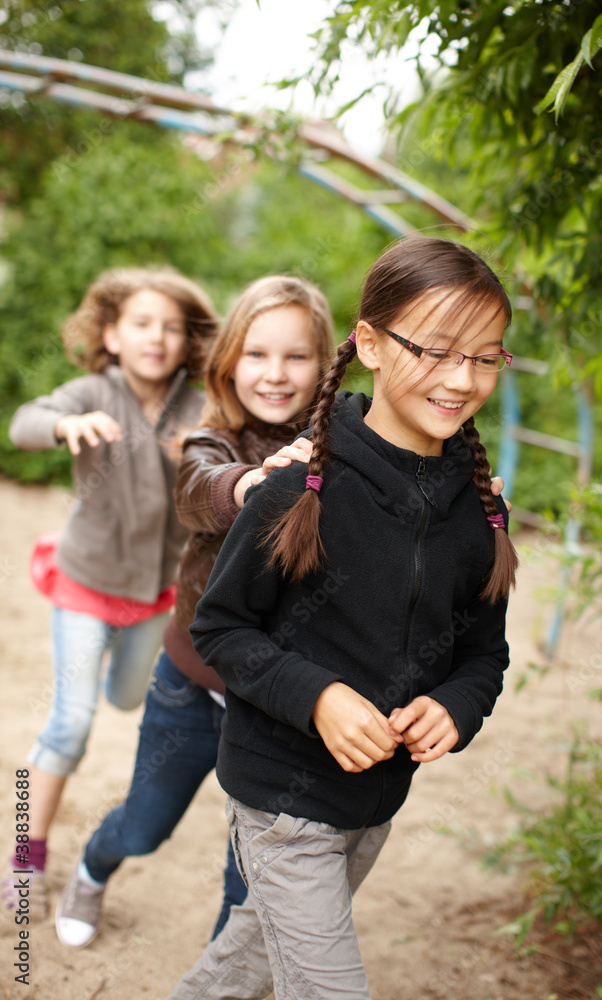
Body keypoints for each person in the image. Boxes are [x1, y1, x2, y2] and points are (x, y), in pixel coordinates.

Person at [166, 236, 520, 1000]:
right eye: (435, 350)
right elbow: (220, 629)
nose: (461, 378)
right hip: (280, 800)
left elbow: (483, 655)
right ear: (370, 344)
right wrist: (318, 696)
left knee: (245, 965)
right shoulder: (301, 484)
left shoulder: (478, 509)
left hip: (375, 800)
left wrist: (455, 706)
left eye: (485, 357)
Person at [53, 275, 337, 949]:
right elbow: (199, 492)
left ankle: (221, 981)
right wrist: (253, 484)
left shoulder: (342, 446)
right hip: (191, 688)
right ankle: (92, 868)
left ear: (324, 365)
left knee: (251, 871)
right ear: (229, 361)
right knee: (144, 825)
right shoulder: (211, 442)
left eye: (296, 356)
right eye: (257, 354)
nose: (275, 373)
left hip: (280, 706)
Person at [2, 266, 217, 923]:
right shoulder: (92, 390)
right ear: (113, 335)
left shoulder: (197, 408)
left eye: (171, 328)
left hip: (155, 594)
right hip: (86, 584)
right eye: (142, 324)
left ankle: (98, 675)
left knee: (125, 696)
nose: (157, 337)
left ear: (187, 343)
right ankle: (24, 859)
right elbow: (25, 422)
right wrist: (66, 425)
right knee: (70, 724)